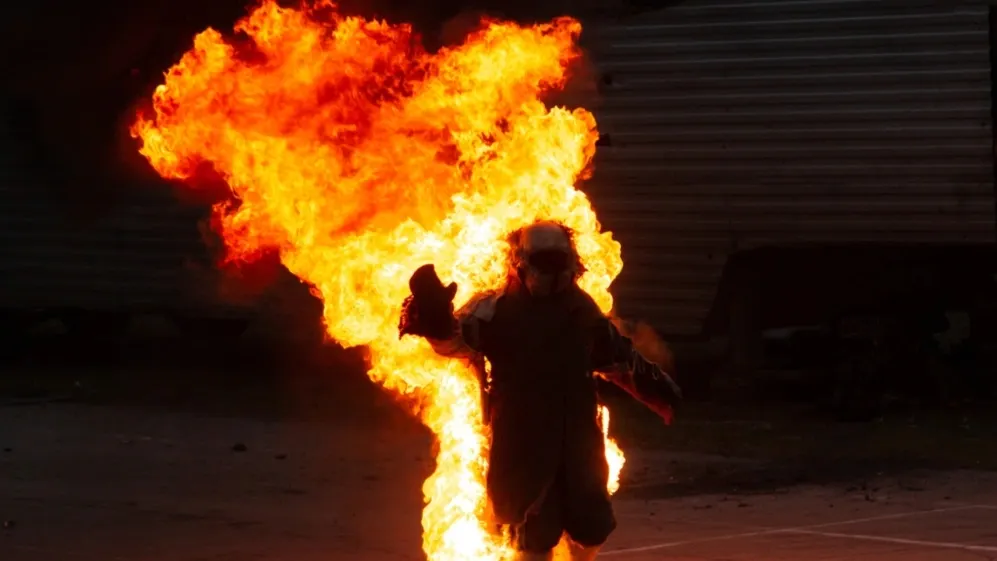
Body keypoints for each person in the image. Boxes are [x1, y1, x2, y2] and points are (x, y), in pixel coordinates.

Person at [399, 220, 681, 561]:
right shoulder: (495, 310)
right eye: (543, 262)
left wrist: (658, 389)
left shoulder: (581, 310)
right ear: (521, 262)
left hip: (578, 436)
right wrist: (436, 322)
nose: (552, 272)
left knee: (591, 524)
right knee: (534, 530)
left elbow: (616, 357)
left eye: (557, 262)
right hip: (523, 439)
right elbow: (456, 343)